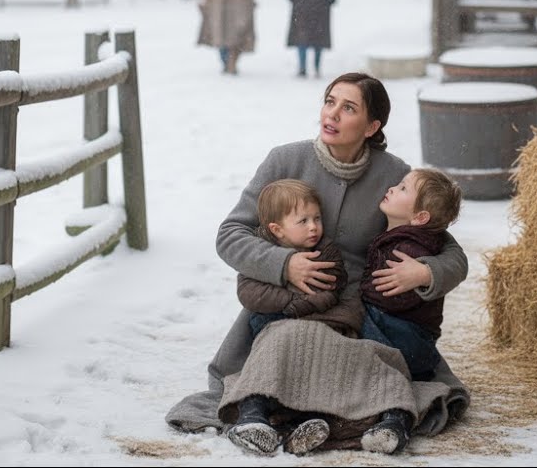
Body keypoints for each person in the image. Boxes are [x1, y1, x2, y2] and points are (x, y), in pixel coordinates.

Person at [165, 73, 471, 451]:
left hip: (362, 314)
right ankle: (272, 416)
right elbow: (230, 234)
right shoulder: (285, 161)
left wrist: (426, 271)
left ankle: (322, 420)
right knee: (289, 344)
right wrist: (284, 265)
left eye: (349, 108)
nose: (332, 114)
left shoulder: (394, 176)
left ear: (372, 126)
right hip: (291, 303)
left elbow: (450, 251)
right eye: (330, 101)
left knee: (360, 360)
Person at [227, 178, 357, 456]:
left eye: (317, 218)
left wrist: (299, 307)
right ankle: (253, 417)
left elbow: (331, 288)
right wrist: (290, 302)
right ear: (278, 229)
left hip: (310, 322)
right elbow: (250, 292)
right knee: (266, 365)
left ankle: (303, 423)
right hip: (271, 321)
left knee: (311, 367)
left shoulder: (325, 250)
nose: (314, 227)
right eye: (303, 221)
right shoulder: (261, 250)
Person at [354, 167, 464, 454]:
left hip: (409, 340)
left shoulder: (410, 249)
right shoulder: (399, 237)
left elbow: (393, 300)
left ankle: (396, 418)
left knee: (361, 330)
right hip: (407, 336)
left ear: (420, 218)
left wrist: (358, 297)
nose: (392, 188)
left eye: (403, 188)